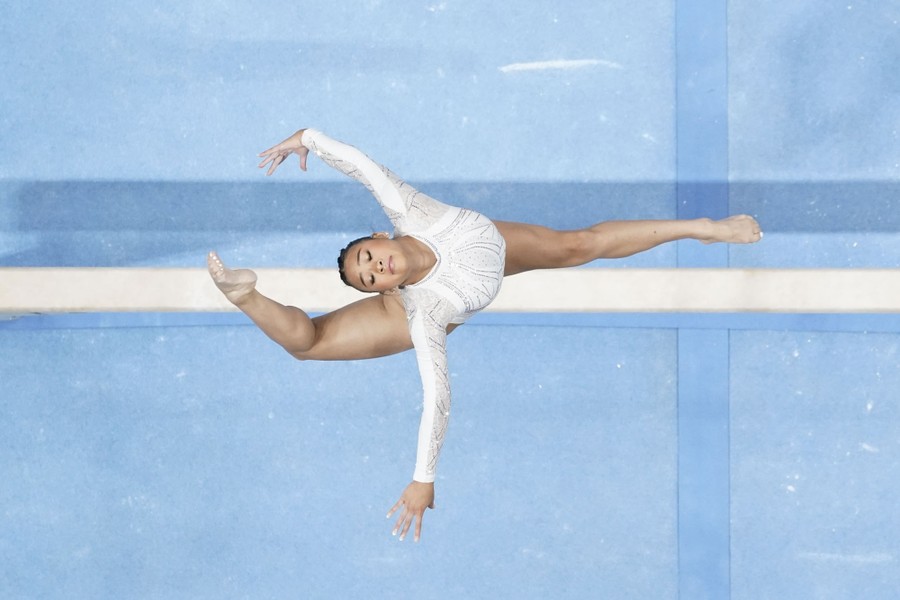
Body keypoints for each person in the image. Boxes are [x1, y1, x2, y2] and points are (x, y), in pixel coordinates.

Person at [208, 128, 762, 543]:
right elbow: (437, 399)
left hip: (487, 253)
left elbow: (360, 166)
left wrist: (306, 139)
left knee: (580, 245)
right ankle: (245, 296)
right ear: (380, 290)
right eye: (369, 278)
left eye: (368, 257)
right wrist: (423, 478)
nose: (377, 269)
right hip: (447, 292)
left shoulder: (410, 209)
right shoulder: (421, 312)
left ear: (382, 234)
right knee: (307, 342)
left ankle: (701, 230)